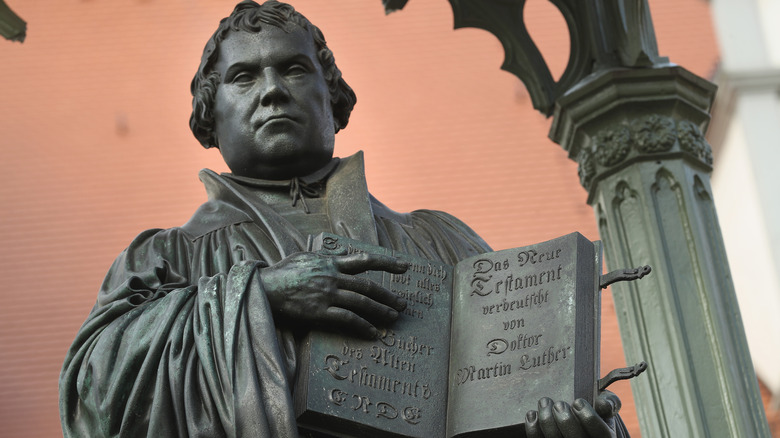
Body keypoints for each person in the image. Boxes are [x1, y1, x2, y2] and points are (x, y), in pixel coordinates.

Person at [59, 1, 626, 437]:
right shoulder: (167, 260)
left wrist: (577, 427)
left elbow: (529, 390)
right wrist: (260, 296)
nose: (273, 90)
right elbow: (92, 401)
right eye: (243, 77)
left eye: (294, 69)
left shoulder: (442, 242)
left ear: (333, 97)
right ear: (211, 113)